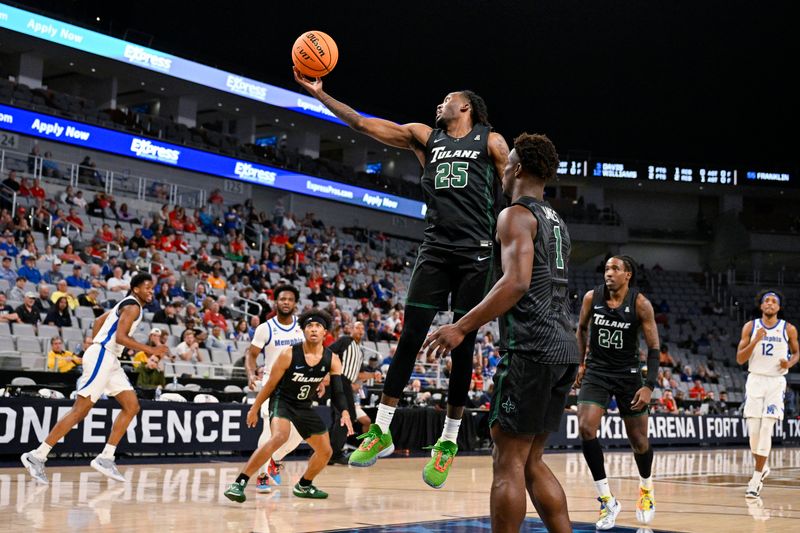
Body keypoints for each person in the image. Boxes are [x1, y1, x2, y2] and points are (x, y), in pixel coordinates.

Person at [295, 70, 510, 486]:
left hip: (477, 252)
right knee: (409, 337)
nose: (438, 105)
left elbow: (518, 189)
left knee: (462, 347)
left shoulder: (491, 141)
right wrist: (322, 95)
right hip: (435, 249)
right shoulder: (423, 137)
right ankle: (381, 430)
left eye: (446, 99)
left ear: (464, 106)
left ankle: (447, 442)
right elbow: (360, 122)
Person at [424, 134, 578, 532]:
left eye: (508, 163)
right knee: (532, 460)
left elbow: (516, 283)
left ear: (520, 168)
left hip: (532, 347)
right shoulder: (556, 221)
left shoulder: (514, 216)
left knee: (507, 460)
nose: (503, 169)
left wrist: (461, 326)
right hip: (564, 348)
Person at [21, 273, 169, 484]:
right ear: (135, 289)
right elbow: (120, 337)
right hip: (103, 356)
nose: (150, 291)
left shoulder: (126, 304)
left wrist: (98, 344)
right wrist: (150, 349)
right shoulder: (133, 306)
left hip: (109, 358)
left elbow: (99, 321)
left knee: (131, 405)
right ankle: (37, 455)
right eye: (147, 287)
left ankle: (106, 457)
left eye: (152, 288)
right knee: (80, 410)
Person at [224, 310, 354, 502]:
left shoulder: (332, 359)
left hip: (303, 406)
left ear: (325, 332)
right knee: (279, 436)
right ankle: (239, 482)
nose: (313, 330)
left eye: (318, 326)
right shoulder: (289, 354)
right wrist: (254, 408)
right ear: (303, 331)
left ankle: (304, 485)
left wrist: (344, 412)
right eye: (309, 326)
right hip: (282, 401)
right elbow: (270, 385)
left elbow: (338, 391)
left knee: (326, 451)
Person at [574, 255, 661, 529]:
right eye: (607, 268)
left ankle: (646, 489)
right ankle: (606, 500)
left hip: (629, 375)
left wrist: (649, 386)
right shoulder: (592, 297)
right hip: (597, 372)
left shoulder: (640, 304)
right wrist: (580, 363)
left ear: (628, 275)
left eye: (615, 269)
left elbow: (654, 348)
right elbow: (581, 329)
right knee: (586, 429)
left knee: (639, 441)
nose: (608, 273)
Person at [736, 289, 798, 498]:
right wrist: (756, 341)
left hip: (775, 382)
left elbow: (797, 352)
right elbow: (740, 359)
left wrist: (789, 362)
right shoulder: (751, 327)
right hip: (755, 379)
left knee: (766, 428)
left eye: (774, 301)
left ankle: (755, 479)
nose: (770, 304)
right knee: (753, 431)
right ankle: (763, 467)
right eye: (766, 301)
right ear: (761, 306)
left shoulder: (788, 328)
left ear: (779, 307)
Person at [245, 284, 305, 492]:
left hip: (298, 385)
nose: (286, 302)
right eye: (282, 299)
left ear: (295, 303)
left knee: (297, 436)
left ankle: (273, 460)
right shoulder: (265, 328)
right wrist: (251, 373)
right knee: (269, 430)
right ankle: (262, 475)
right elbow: (251, 355)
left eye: (290, 299)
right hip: (272, 384)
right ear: (276, 302)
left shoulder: (303, 327)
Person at [326, 321, 366, 464]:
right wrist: (328, 373)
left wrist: (373, 376)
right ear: (351, 330)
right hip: (340, 380)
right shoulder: (345, 341)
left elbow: (358, 374)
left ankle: (325, 452)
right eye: (357, 327)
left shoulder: (360, 351)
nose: (360, 330)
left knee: (339, 417)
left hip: (347, 383)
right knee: (347, 416)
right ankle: (334, 453)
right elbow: (328, 351)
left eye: (362, 328)